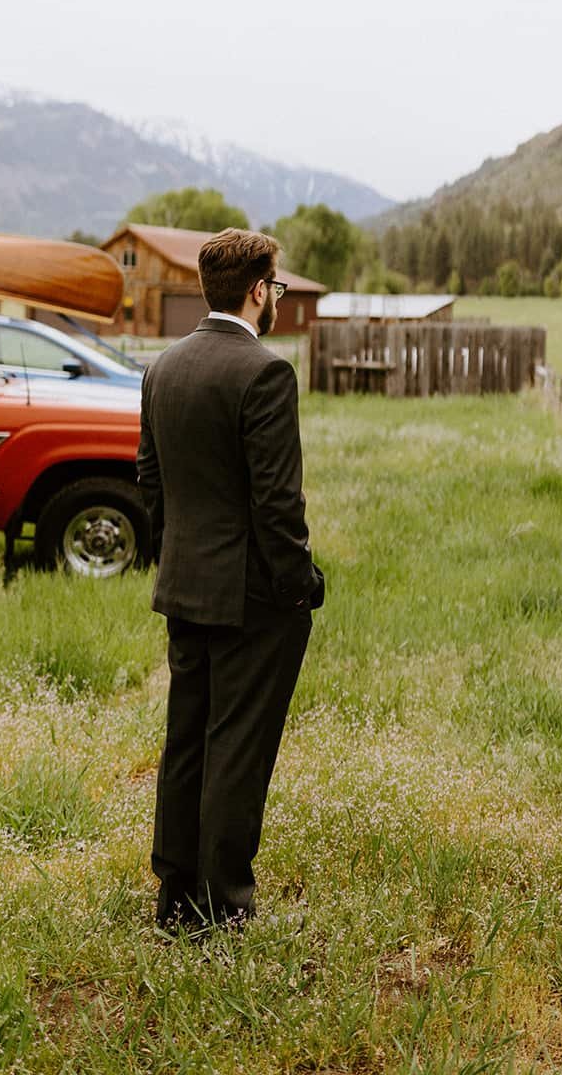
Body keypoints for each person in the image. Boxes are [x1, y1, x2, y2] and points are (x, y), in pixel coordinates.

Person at [137, 227, 324, 932]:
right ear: (256, 290)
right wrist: (298, 585)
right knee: (237, 751)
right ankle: (224, 908)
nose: (275, 298)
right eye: (275, 286)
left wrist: (175, 553)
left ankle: (174, 898)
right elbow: (278, 506)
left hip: (183, 583)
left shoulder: (163, 368)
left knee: (187, 741)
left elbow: (149, 479)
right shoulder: (264, 372)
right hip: (250, 597)